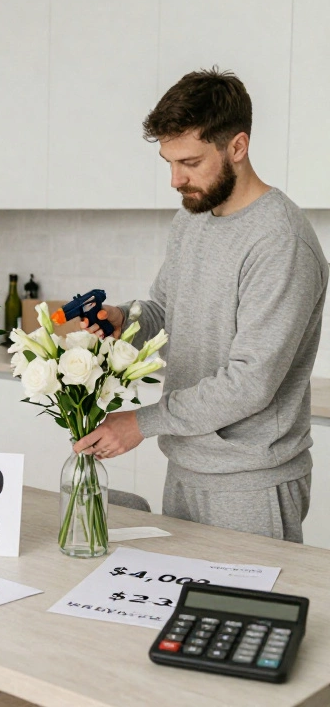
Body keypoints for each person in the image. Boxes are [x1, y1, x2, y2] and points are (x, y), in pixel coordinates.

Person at [77, 68, 328, 543]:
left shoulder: (281, 241)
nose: (176, 179)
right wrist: (121, 320)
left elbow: (249, 384)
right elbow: (165, 314)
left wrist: (141, 423)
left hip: (251, 482)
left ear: (237, 146)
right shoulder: (192, 218)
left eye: (189, 162)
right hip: (187, 465)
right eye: (168, 162)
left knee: (244, 615)